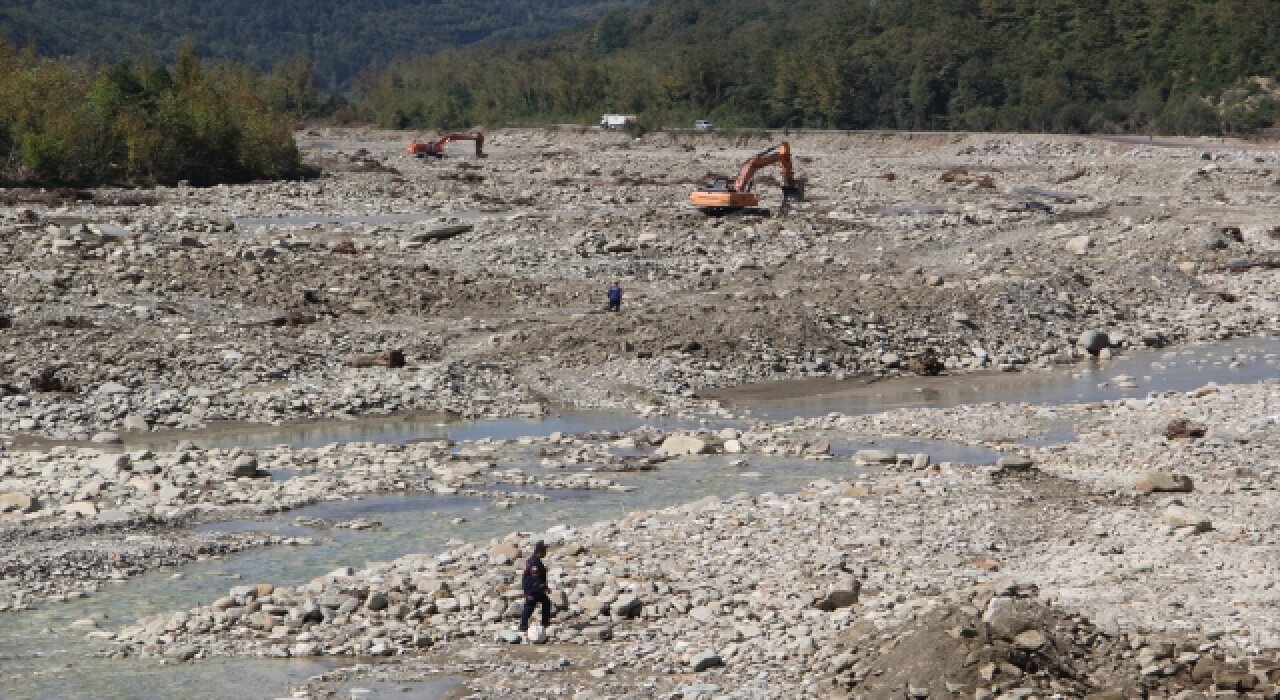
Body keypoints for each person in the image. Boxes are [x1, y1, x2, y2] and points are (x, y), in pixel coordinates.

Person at [518, 541, 552, 632]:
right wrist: (544, 586)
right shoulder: (534, 561)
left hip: (537, 589)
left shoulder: (536, 560)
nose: (546, 553)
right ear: (540, 551)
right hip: (532, 589)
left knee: (546, 602)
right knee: (529, 607)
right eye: (545, 551)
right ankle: (523, 626)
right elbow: (535, 576)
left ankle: (545, 623)